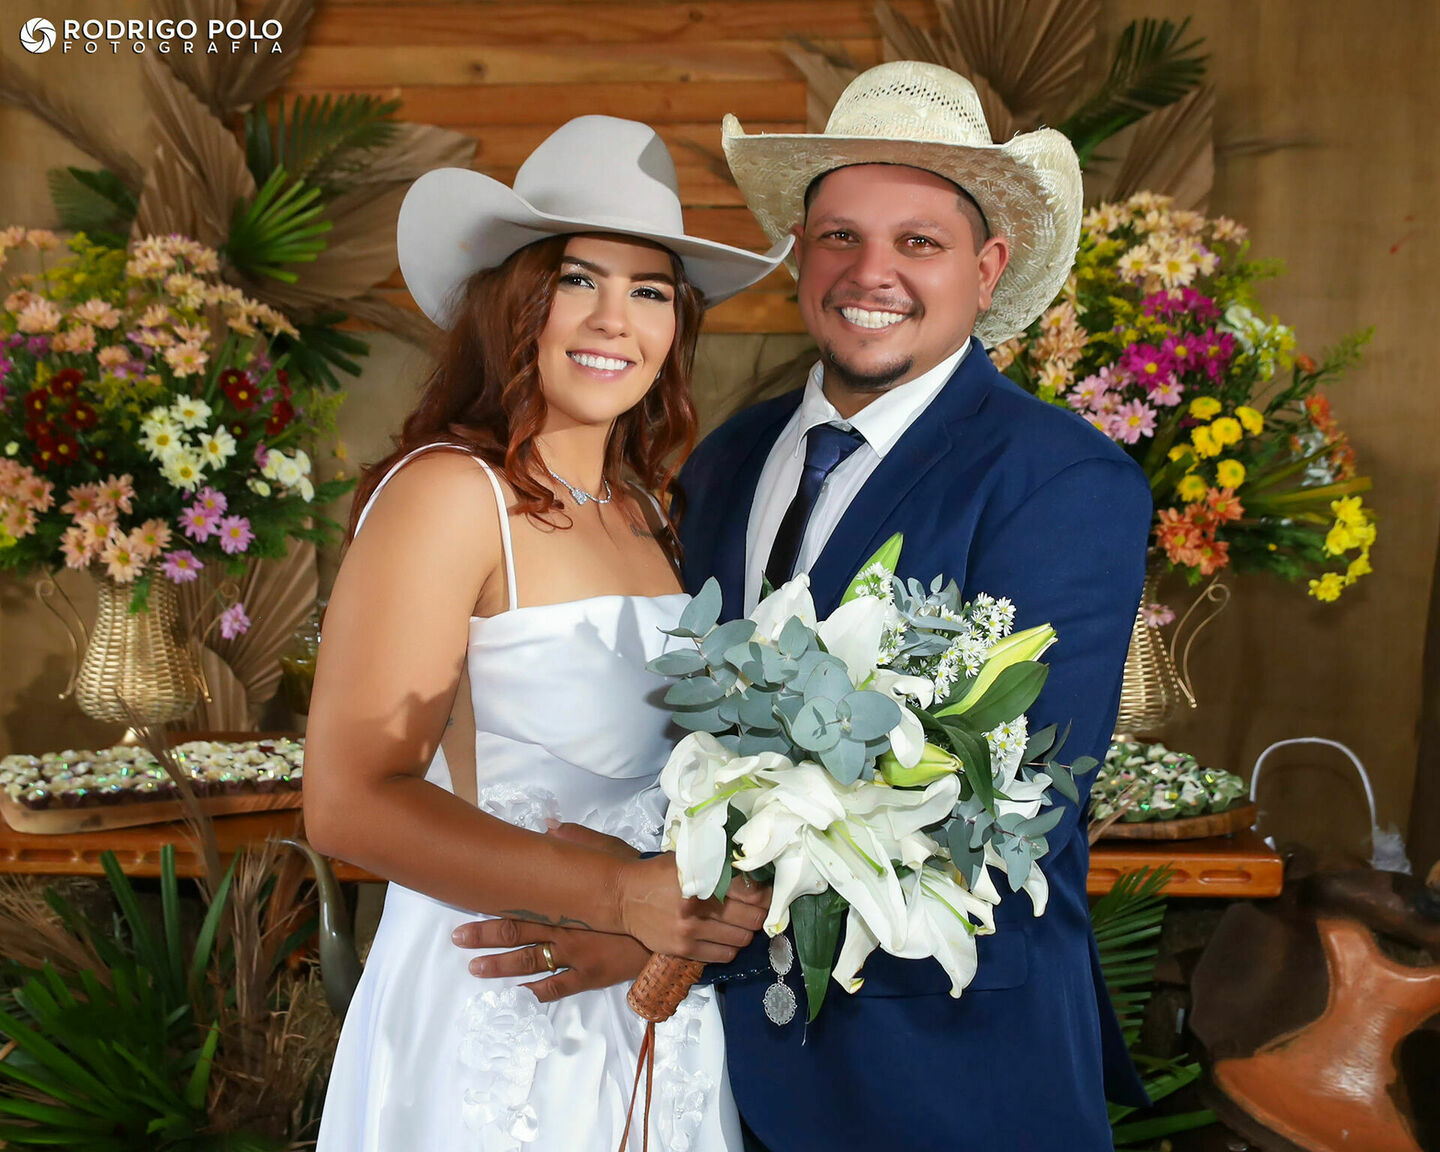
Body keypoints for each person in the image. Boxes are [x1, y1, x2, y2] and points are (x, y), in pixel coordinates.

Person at [453, 62, 1153, 1151]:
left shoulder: (1061, 480)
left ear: (987, 269)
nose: (872, 273)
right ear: (799, 253)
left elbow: (1005, 805)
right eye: (839, 237)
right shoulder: (723, 459)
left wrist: (667, 936)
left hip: (952, 1075)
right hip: (722, 1080)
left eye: (918, 241)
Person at [303, 114, 788, 1152]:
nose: (616, 320)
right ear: (511, 303)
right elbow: (347, 802)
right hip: (501, 1015)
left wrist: (669, 924)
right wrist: (622, 892)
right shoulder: (449, 494)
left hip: (652, 1013)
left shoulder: (650, 510)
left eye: (650, 292)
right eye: (579, 280)